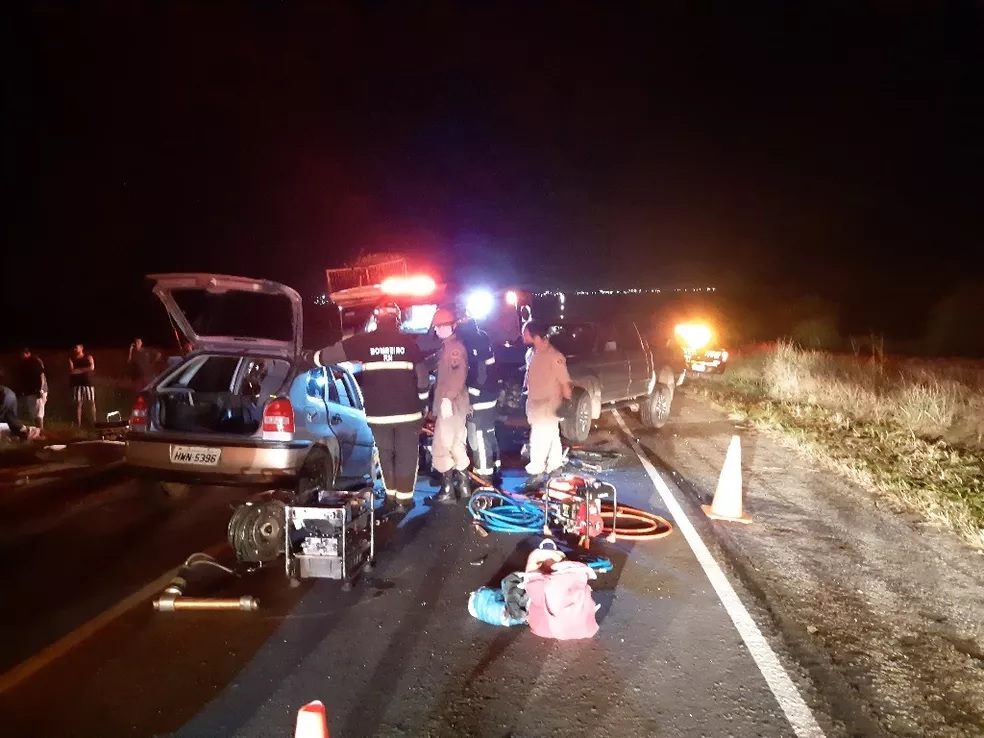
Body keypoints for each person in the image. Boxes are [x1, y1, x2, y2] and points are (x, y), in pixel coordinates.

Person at [312, 305, 431, 509]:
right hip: (408, 414)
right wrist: (423, 403)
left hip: (379, 414)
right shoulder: (408, 343)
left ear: (376, 319)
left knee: (386, 454)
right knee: (407, 456)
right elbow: (422, 377)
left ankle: (391, 498)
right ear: (398, 320)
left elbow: (329, 356)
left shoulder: (364, 341)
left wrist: (310, 358)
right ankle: (404, 501)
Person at [522, 320, 573, 488]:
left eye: (525, 333)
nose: (522, 336)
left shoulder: (554, 356)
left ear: (535, 336)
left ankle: (536, 473)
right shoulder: (532, 353)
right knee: (551, 435)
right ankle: (555, 466)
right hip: (536, 404)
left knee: (538, 439)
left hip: (547, 405)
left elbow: (565, 382)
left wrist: (567, 403)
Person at [429, 307, 471, 503]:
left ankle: (447, 491)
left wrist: (447, 398)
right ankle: (464, 488)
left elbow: (458, 373)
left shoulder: (453, 348)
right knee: (456, 445)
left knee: (442, 446)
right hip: (456, 404)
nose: (436, 330)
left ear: (449, 327)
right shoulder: (448, 347)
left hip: (452, 405)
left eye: (439, 326)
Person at [457, 317, 501, 485]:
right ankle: (494, 467)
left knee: (479, 436)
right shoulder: (483, 337)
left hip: (480, 398)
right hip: (490, 395)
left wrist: (471, 397)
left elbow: (480, 373)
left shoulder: (472, 343)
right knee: (489, 433)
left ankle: (484, 476)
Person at [14, 348, 47, 430]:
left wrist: (40, 389)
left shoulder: (35, 361)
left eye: (22, 354)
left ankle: (41, 431)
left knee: (38, 412)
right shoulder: (25, 363)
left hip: (37, 390)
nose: (20, 356)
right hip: (30, 391)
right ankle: (38, 430)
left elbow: (41, 375)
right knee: (33, 412)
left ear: (26, 353)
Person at [69, 344, 97, 427]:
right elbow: (72, 371)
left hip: (88, 383)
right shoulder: (72, 358)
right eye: (74, 348)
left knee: (91, 402)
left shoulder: (88, 357)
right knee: (78, 404)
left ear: (81, 348)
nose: (75, 349)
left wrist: (78, 370)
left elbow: (91, 368)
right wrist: (85, 369)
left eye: (76, 348)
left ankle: (94, 423)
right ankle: (78, 424)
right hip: (77, 384)